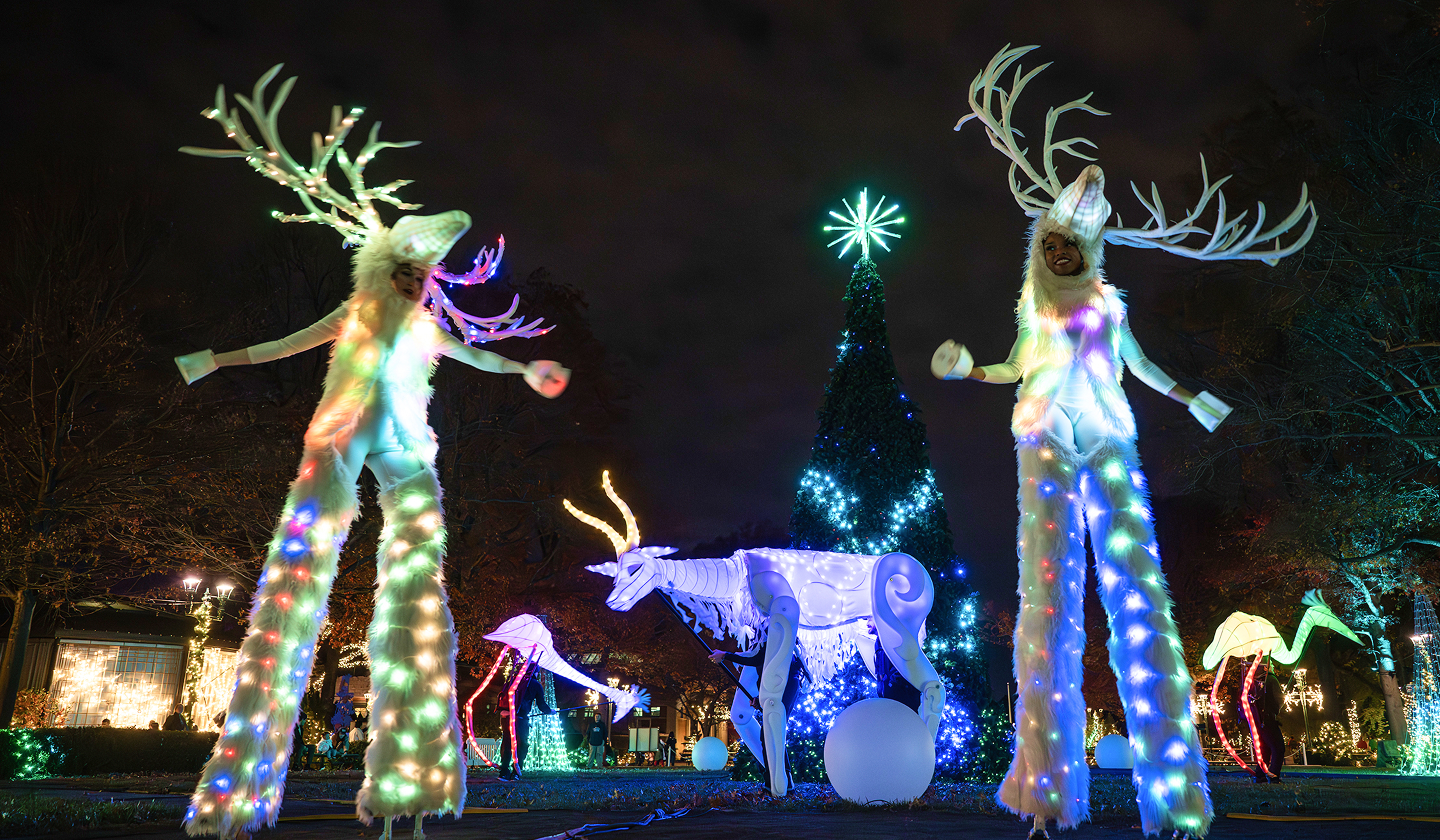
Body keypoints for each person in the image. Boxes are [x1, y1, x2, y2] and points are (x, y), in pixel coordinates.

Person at [175, 66, 571, 840]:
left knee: (420, 608)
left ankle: (410, 790)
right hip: (340, 437)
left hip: (407, 450)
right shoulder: (354, 315)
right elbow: (284, 345)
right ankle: (237, 791)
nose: (415, 285)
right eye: (405, 270)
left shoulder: (426, 330)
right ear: (381, 270)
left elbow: (477, 357)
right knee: (292, 586)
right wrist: (218, 358)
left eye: (421, 276)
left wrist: (525, 367)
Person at [498, 663, 553, 780]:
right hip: (520, 719)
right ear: (535, 672)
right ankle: (516, 772)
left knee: (507, 743)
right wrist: (550, 711)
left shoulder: (513, 680)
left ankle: (504, 772)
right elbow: (541, 705)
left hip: (506, 717)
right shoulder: (535, 685)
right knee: (521, 744)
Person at [1245, 662, 1286, 783]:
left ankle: (1260, 775)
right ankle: (1273, 775)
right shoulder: (1271, 679)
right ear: (1266, 666)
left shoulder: (1253, 681)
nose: (1273, 667)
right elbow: (1278, 699)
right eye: (1271, 664)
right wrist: (1277, 709)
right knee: (1278, 748)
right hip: (1268, 719)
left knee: (1265, 749)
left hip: (1257, 720)